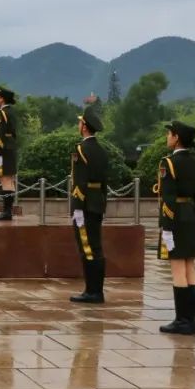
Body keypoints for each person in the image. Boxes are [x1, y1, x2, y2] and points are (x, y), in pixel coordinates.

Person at [157, 121, 195, 335]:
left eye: (169, 133)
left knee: (177, 268)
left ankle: (182, 321)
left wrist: (166, 227)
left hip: (175, 217)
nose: (167, 137)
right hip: (190, 215)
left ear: (176, 138)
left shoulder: (168, 163)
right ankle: (190, 320)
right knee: (190, 267)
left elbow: (168, 197)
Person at [69, 107, 110, 304]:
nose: (79, 125)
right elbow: (104, 182)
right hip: (97, 202)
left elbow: (79, 181)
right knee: (96, 247)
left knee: (87, 247)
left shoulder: (81, 149)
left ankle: (93, 291)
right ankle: (96, 290)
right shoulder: (102, 150)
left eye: (80, 122)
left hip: (85, 205)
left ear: (84, 127)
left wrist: (77, 207)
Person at [0, 86, 19, 220]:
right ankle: (8, 211)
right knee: (9, 181)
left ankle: (7, 212)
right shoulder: (11, 112)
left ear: (2, 99)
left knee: (5, 179)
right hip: (10, 148)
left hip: (3, 150)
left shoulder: (2, 113)